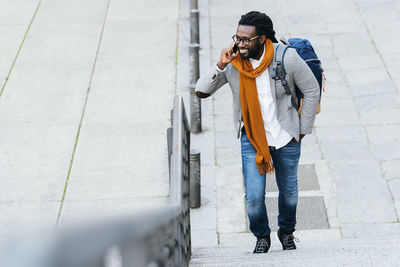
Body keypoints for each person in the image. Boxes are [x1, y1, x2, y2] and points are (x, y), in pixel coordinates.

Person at [195, 11, 320, 253]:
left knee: (290, 193)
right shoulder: (233, 64)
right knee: (253, 198)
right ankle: (262, 236)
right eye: (237, 38)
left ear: (262, 39)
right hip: (252, 137)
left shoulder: (287, 58)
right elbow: (201, 91)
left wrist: (302, 130)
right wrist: (220, 65)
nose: (239, 43)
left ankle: (286, 232)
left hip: (286, 136)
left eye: (245, 39)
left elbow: (312, 90)